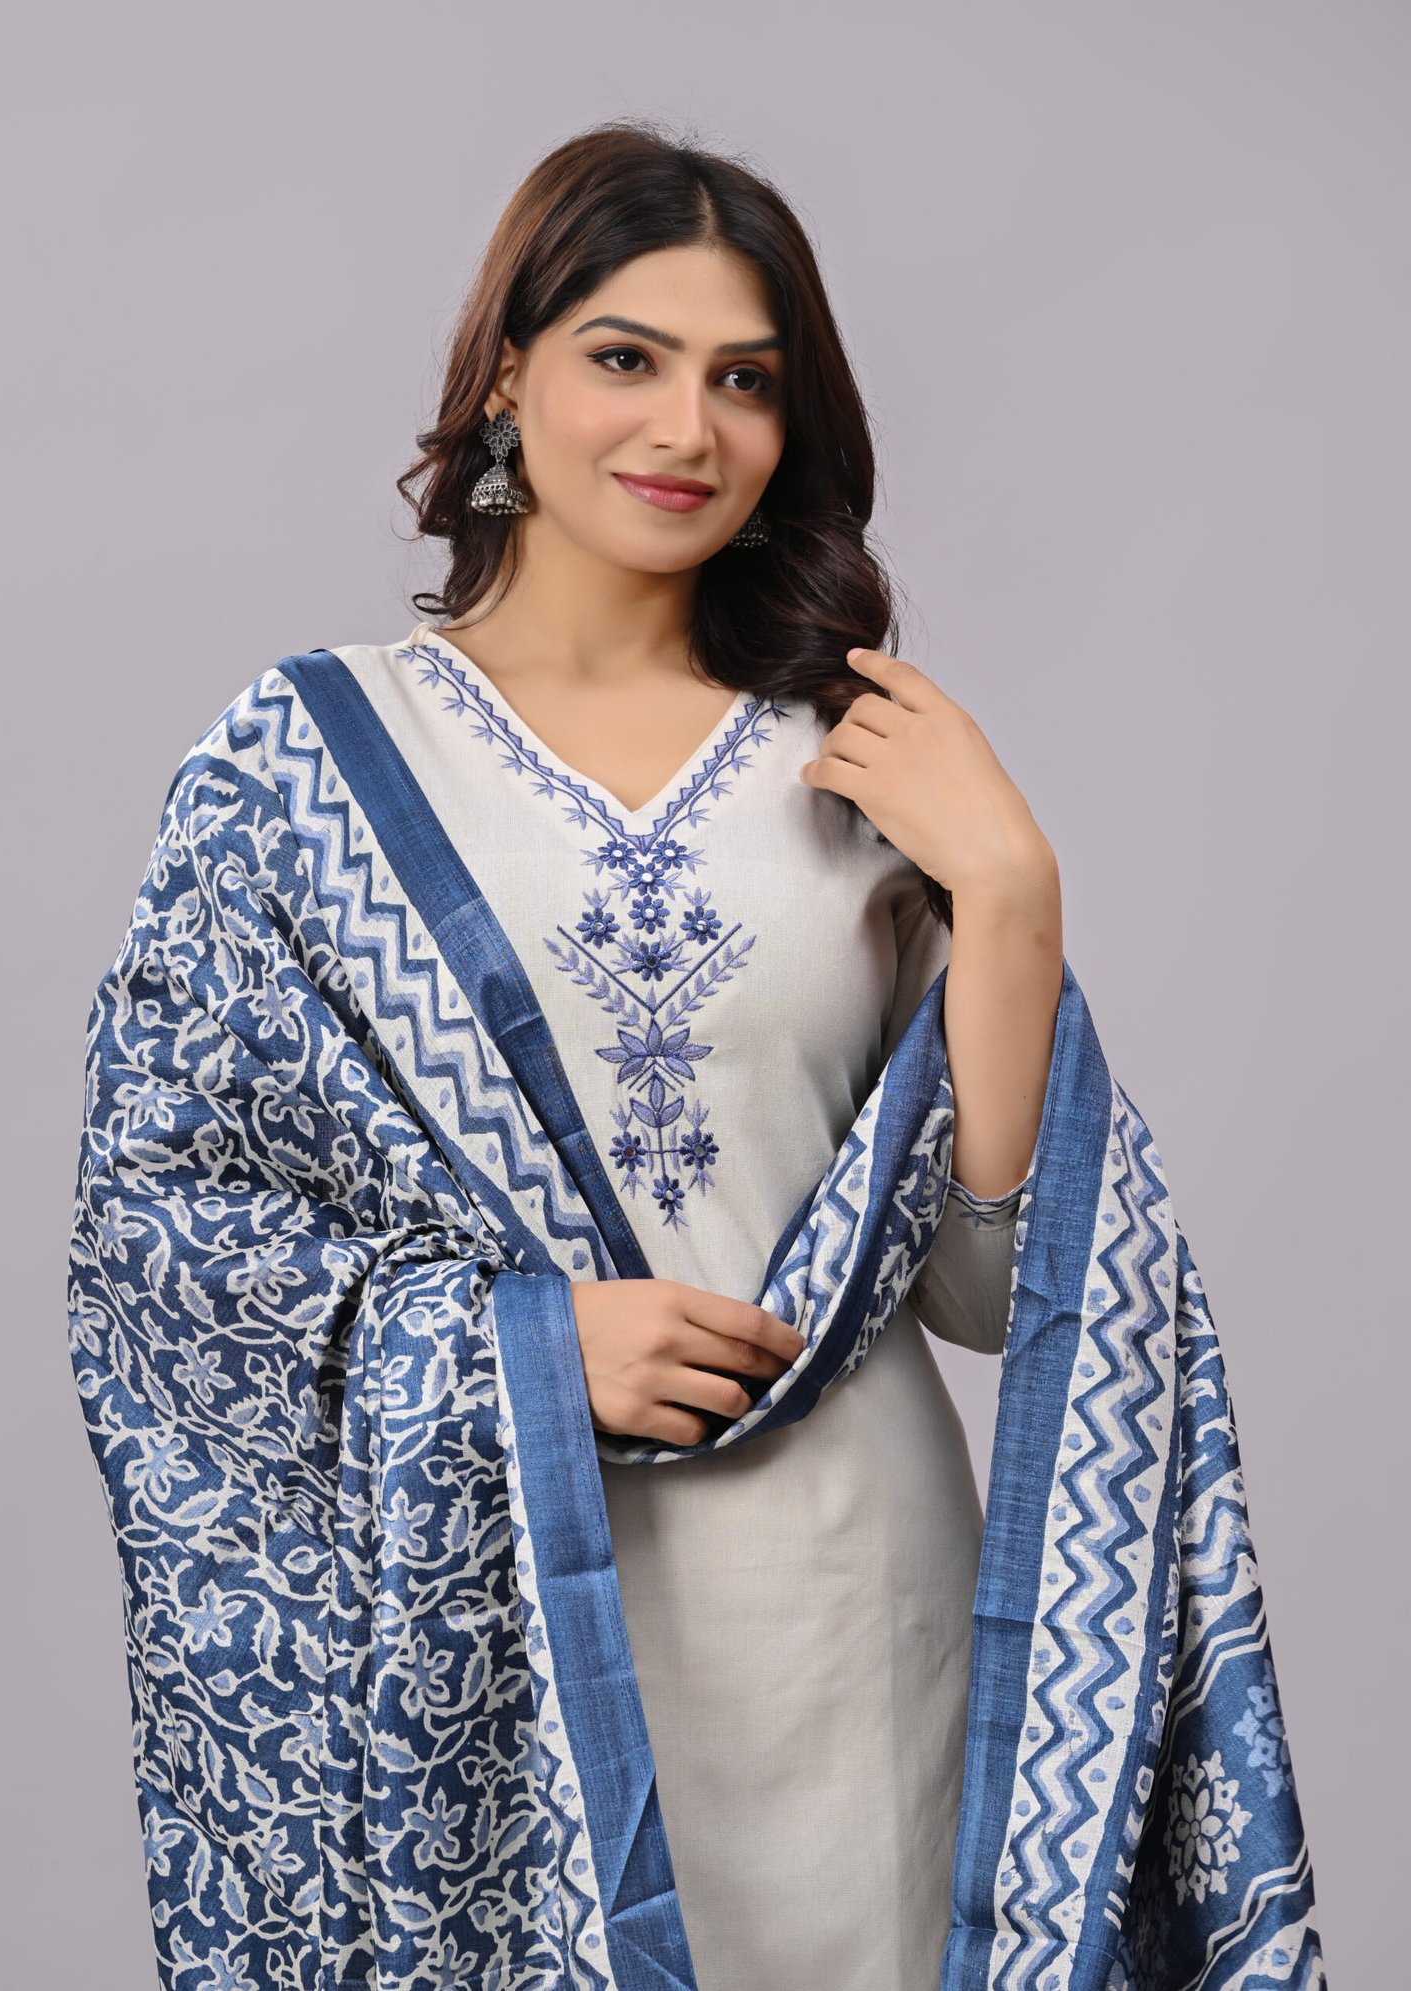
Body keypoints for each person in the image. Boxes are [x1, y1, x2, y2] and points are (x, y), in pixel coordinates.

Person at [358, 119, 1061, 1987]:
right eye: (627, 358)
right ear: (506, 374)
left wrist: (1011, 895)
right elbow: (165, 1263)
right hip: (507, 1642)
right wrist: (524, 1351)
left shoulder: (864, 760)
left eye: (746, 380)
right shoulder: (313, 768)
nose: (689, 430)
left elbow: (993, 1293)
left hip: (861, 1624)